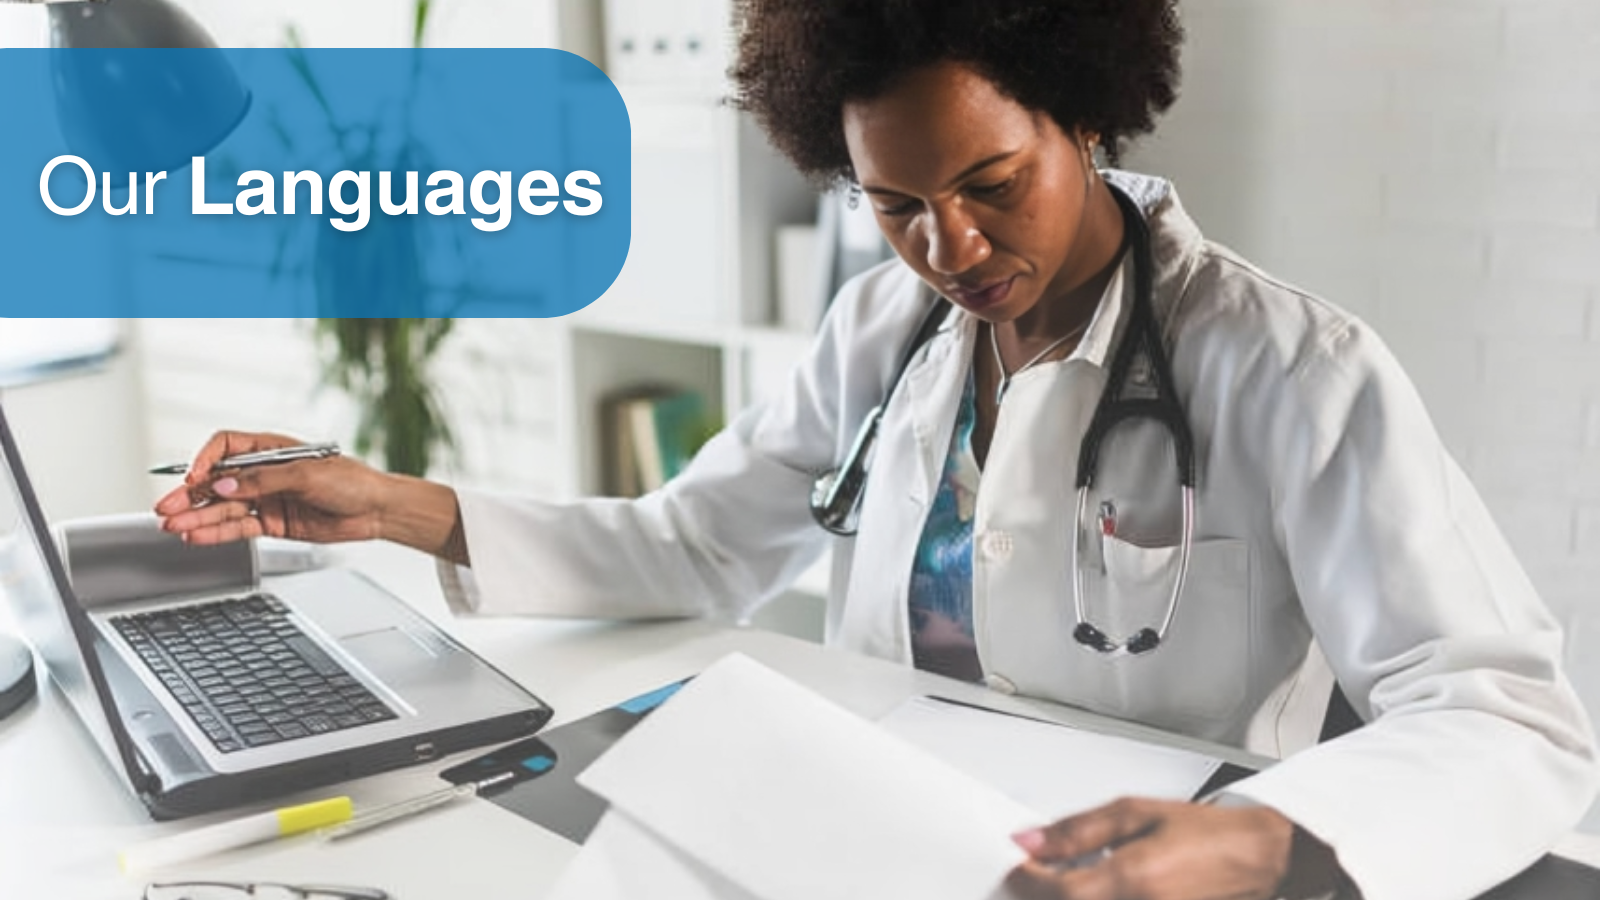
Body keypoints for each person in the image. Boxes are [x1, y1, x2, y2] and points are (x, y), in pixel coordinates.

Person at [156, 2, 1597, 898]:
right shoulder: (885, 325)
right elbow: (699, 543)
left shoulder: (1287, 365)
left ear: (1085, 115)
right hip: (880, 842)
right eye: (894, 201)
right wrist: (398, 507)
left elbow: (1502, 713)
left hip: (1133, 875)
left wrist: (1276, 846)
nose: (950, 247)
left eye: (991, 184)